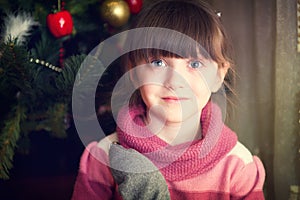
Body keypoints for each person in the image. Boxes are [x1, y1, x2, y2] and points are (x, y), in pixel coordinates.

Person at [72, 0, 266, 199]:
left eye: (195, 64)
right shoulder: (105, 156)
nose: (175, 81)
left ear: (218, 76)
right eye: (158, 62)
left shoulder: (238, 165)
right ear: (133, 71)